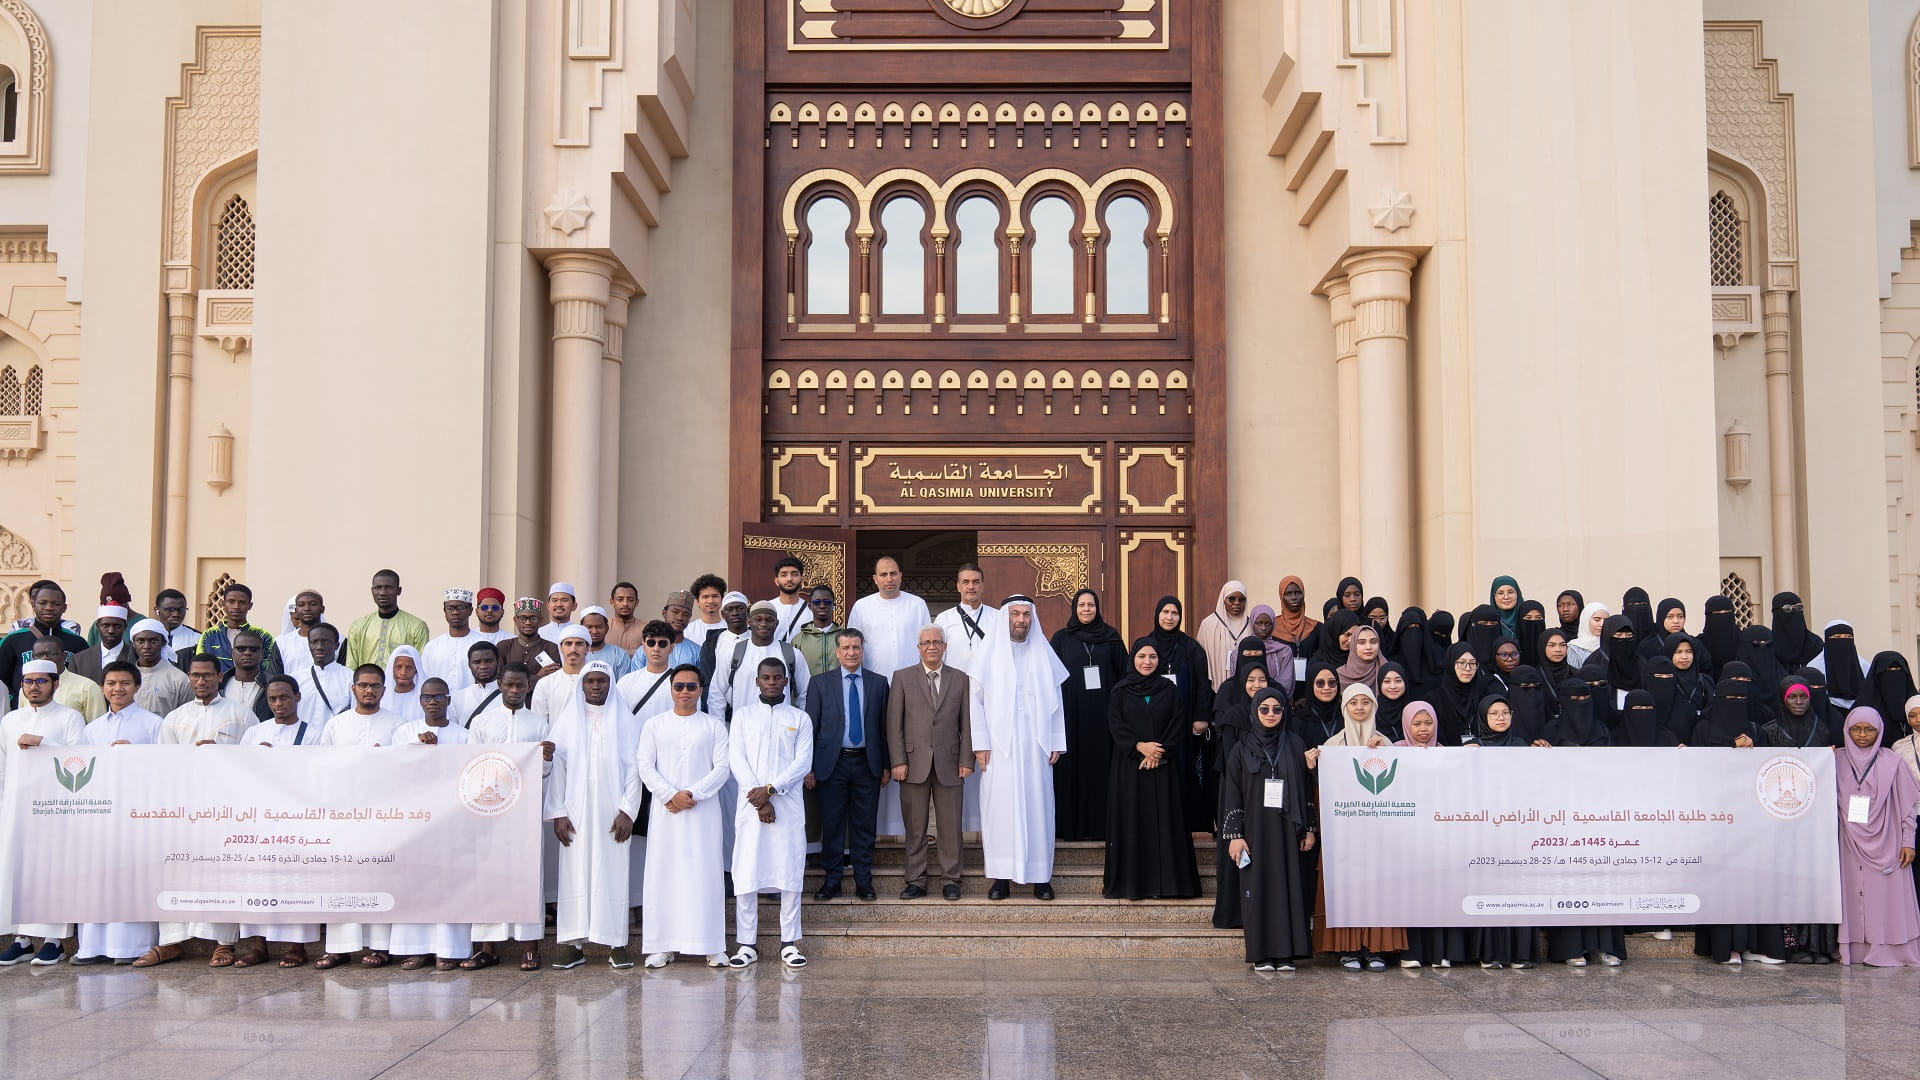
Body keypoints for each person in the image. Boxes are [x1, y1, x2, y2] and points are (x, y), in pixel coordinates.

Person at [133, 654, 253, 968]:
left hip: (227, 807)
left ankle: (224, 943)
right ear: (189, 677)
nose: (201, 681)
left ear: (219, 677)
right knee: (176, 870)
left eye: (207, 676)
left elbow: (254, 762)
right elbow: (165, 764)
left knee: (223, 873)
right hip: (185, 806)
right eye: (195, 675)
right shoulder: (174, 718)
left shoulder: (241, 715)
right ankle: (172, 943)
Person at [972, 596, 1069, 902]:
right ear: (1005, 618)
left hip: (1036, 746)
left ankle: (1041, 878)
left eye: (1026, 614)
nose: (1021, 619)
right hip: (999, 749)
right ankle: (1001, 879)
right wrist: (980, 744)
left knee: (1038, 808)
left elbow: (1057, 704)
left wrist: (1056, 741)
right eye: (1015, 614)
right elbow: (975, 702)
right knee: (999, 810)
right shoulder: (988, 654)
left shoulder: (1043, 652)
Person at [546, 662, 642, 971]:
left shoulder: (626, 722)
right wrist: (558, 813)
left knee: (613, 871)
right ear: (582, 685)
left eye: (602, 681)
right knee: (574, 873)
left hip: (613, 812)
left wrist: (628, 810)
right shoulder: (566, 721)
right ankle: (573, 945)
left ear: (610, 684)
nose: (596, 686)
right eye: (590, 681)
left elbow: (634, 771)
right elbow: (558, 768)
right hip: (574, 811)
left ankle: (617, 943)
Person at [68, 661, 164, 965]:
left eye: (124, 683)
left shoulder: (153, 724)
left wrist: (136, 757)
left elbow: (166, 768)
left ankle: (130, 948)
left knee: (132, 878)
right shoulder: (92, 729)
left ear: (137, 687)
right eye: (111, 683)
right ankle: (92, 947)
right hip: (100, 816)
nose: (117, 689)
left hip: (138, 814)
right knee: (95, 879)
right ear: (102, 687)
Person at [635, 665, 732, 969]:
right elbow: (644, 765)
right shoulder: (655, 725)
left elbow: (722, 768)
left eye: (691, 687)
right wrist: (669, 795)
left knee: (705, 874)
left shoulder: (714, 726)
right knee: (664, 875)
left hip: (702, 813)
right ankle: (662, 945)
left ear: (701, 690)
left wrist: (691, 795)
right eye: (679, 687)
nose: (685, 692)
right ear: (671, 689)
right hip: (667, 813)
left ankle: (711, 945)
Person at [312, 664, 405, 969]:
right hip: (343, 815)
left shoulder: (398, 725)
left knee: (378, 879)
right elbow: (321, 769)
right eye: (363, 685)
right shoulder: (336, 725)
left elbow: (408, 769)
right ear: (353, 689)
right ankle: (339, 947)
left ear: (383, 689)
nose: (369, 690)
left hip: (382, 816)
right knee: (341, 881)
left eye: (375, 686)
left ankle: (380, 946)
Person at [230, 675, 324, 968]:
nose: (278, 704)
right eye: (272, 699)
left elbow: (318, 773)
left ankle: (296, 947)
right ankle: (259, 946)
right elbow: (240, 773)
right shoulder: (254, 733)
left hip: (296, 818)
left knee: (294, 881)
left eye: (284, 697)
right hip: (259, 817)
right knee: (259, 881)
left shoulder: (313, 734)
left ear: (297, 697)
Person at [464, 664, 553, 971]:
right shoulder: (482, 722)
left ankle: (530, 946)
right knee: (488, 875)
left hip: (525, 811)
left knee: (528, 876)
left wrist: (546, 759)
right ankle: (488, 947)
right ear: (499, 684)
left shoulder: (539, 723)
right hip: (490, 813)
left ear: (529, 687)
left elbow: (544, 771)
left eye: (521, 686)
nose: (515, 691)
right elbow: (471, 764)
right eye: (510, 685)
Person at [726, 658, 814, 969]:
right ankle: (746, 943)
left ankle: (789, 942)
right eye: (766, 677)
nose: (772, 682)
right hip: (751, 808)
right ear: (757, 681)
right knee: (747, 872)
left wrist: (772, 790)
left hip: (787, 808)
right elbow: (736, 758)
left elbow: (802, 763)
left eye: (778, 677)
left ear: (786, 682)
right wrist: (759, 798)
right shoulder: (743, 717)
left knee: (789, 872)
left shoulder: (800, 718)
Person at [1221, 687, 1315, 971]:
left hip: (1288, 830)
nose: (1271, 714)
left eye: (1277, 709)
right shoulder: (1241, 748)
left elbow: (1306, 788)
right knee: (1257, 887)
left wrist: (1309, 828)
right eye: (1265, 709)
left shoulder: (1296, 744)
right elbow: (1232, 792)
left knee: (1289, 886)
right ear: (1255, 711)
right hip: (1255, 832)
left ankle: (1287, 953)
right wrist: (1235, 836)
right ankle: (1262, 953)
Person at [0, 659, 87, 967]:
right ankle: (22, 940)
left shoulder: (70, 718)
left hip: (56, 808)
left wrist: (44, 743)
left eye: (41, 681)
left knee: (52, 871)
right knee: (18, 869)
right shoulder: (10, 720)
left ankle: (53, 941)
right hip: (17, 806)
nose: (33, 687)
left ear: (55, 684)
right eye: (28, 682)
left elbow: (81, 758)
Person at [1103, 637, 1201, 901]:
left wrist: (1158, 751)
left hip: (1164, 768)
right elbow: (1115, 725)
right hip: (1129, 769)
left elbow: (1177, 722)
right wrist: (1139, 746)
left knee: (1165, 823)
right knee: (1134, 822)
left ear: (1159, 660)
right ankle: (1135, 885)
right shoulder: (1119, 691)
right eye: (1141, 656)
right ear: (1132, 659)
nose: (1147, 662)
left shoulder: (1169, 690)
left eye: (1152, 657)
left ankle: (1170, 884)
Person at [885, 624, 973, 900]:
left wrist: (966, 758)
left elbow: (967, 724)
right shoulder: (901, 678)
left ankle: (951, 879)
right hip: (912, 764)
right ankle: (916, 880)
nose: (932, 646)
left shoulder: (960, 679)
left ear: (945, 647)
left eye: (937, 642)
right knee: (915, 827)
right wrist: (897, 760)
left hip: (950, 763)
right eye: (926, 643)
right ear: (919, 648)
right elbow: (893, 723)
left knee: (950, 825)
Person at [807, 629, 890, 902]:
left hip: (868, 763)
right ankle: (832, 881)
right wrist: (809, 767)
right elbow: (812, 727)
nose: (851, 652)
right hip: (832, 764)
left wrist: (886, 764)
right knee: (832, 824)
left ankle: (864, 881)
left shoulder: (879, 683)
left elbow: (884, 727)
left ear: (863, 650)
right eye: (846, 648)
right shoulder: (820, 683)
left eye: (856, 647)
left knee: (864, 825)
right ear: (837, 651)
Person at [1835, 707, 1920, 966]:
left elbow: (1908, 807)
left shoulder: (1892, 761)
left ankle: (1890, 952)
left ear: (1879, 731)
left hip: (1888, 841)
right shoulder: (1835, 760)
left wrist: (1908, 841)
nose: (1862, 735)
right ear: (1847, 731)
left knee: (1886, 897)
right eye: (1856, 729)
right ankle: (1856, 951)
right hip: (1848, 841)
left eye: (1869, 729)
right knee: (1852, 894)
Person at [1462, 696, 1540, 969]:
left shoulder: (1521, 746)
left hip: (1518, 830)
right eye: (1493, 713)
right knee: (1491, 890)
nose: (1500, 718)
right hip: (1485, 832)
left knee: (1518, 891)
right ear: (1483, 716)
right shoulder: (1473, 748)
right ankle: (1490, 953)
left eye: (1505, 712)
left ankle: (1521, 953)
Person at [1392, 703, 1466, 968]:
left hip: (1439, 836)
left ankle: (1439, 952)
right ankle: (1411, 952)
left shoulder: (1444, 753)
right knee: (1413, 893)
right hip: (1408, 837)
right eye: (1417, 724)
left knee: (1438, 894)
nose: (1423, 730)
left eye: (1428, 723)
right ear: (1407, 725)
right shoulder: (1395, 751)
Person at [1050, 589, 1126, 842]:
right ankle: (1070, 828)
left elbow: (1125, 674)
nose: (1086, 609)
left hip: (1104, 718)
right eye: (1081, 605)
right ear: (1074, 608)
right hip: (1071, 717)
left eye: (1090, 605)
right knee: (1072, 770)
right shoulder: (1061, 639)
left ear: (1097, 608)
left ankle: (1102, 827)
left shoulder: (1112, 637)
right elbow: (1049, 678)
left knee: (1101, 770)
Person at [1144, 596, 1216, 833]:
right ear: (1157, 614)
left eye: (1174, 613)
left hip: (1184, 723)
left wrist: (1201, 716)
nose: (1169, 617)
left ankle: (1183, 820)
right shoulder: (1146, 646)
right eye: (1165, 612)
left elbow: (1202, 683)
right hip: (1153, 723)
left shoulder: (1191, 647)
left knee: (1183, 769)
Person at [709, 601, 807, 722]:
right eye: (758, 619)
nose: (763, 624)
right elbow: (716, 694)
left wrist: (800, 726)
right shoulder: (732, 654)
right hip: (743, 731)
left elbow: (805, 695)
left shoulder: (792, 654)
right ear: (749, 622)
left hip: (782, 731)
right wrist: (720, 731)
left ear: (776, 623)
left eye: (769, 620)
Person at [847, 557, 933, 687]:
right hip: (873, 681)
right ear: (875, 579)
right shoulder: (861, 606)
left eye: (893, 574)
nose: (889, 579)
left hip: (912, 681)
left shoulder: (917, 604)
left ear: (900, 576)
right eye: (883, 575)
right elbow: (852, 645)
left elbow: (928, 643)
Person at [0, 582, 89, 703]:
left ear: (64, 607)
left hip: (67, 709)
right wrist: (14, 699)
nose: (49, 607)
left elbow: (84, 679)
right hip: (25, 710)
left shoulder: (78, 642)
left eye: (56, 604)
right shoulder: (14, 640)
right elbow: (2, 678)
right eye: (42, 603)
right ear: (33, 605)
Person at [343, 570, 429, 669]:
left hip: (401, 684)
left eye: (389, 588)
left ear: (399, 590)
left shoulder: (416, 626)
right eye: (378, 588)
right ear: (372, 591)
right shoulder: (358, 626)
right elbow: (351, 667)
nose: (383, 593)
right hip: (367, 684)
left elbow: (420, 665)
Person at [196, 581, 285, 677]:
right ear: (223, 604)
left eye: (242, 602)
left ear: (250, 606)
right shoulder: (209, 635)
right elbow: (200, 666)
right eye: (231, 601)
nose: (236, 607)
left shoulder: (263, 636)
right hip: (218, 689)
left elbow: (268, 669)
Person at [934, 563, 997, 673]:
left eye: (976, 582)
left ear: (982, 586)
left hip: (987, 684)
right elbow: (937, 656)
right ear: (958, 586)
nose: (971, 587)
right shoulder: (944, 619)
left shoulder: (996, 617)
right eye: (966, 582)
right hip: (954, 685)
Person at [420, 588, 481, 692]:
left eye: (460, 608)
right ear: (444, 611)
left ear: (470, 610)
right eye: (450, 608)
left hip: (474, 703)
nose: (455, 612)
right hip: (439, 704)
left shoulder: (482, 644)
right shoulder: (432, 646)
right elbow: (423, 678)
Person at [1195, 580, 1252, 690]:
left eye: (1242, 599)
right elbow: (1200, 660)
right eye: (1231, 599)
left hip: (1246, 689)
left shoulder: (1251, 625)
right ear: (1223, 599)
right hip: (1214, 690)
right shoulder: (1208, 625)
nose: (1237, 603)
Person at [128, 619, 192, 716]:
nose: (146, 646)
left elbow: (186, 718)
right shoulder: (125, 678)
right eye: (140, 641)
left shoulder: (179, 679)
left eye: (153, 641)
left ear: (163, 642)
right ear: (134, 644)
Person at [31, 638, 105, 721]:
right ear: (33, 658)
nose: (45, 658)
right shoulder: (28, 688)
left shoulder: (88, 687)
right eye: (39, 655)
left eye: (52, 654)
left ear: (64, 656)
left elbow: (97, 728)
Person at [498, 597, 564, 686]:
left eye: (533, 618)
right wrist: (538, 676)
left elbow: (554, 680)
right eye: (523, 618)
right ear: (515, 620)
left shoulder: (552, 648)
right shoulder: (504, 647)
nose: (528, 622)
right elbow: (500, 678)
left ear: (540, 620)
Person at [531, 626, 592, 721]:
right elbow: (539, 724)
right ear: (561, 648)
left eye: (579, 644)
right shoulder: (546, 683)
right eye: (568, 644)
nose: (573, 649)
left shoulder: (596, 683)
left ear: (588, 648)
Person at [697, 592, 752, 692]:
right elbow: (707, 678)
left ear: (748, 612)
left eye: (740, 608)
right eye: (730, 609)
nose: (735, 613)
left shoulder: (758, 639)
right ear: (722, 614)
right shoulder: (712, 643)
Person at [68, 604, 130, 684]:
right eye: (105, 626)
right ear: (97, 626)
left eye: (117, 626)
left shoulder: (136, 657)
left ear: (125, 627)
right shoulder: (79, 660)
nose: (111, 630)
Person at [791, 584, 843, 677]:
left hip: (839, 690)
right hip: (809, 690)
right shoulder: (798, 640)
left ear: (834, 605)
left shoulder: (844, 637)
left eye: (827, 602)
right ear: (810, 606)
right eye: (816, 602)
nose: (822, 606)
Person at [762, 556, 813, 646]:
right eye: (784, 575)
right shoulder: (767, 608)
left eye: (794, 574)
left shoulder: (810, 611)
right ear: (776, 581)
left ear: (802, 579)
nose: (789, 579)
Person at [450, 640, 503, 726]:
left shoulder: (509, 695)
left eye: (489, 661)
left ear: (498, 662)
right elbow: (454, 730)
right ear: (469, 664)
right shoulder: (458, 697)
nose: (483, 666)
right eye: (477, 662)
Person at [275, 589, 327, 676]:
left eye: (313, 604)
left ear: (322, 609)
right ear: (296, 610)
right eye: (301, 605)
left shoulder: (339, 641)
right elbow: (274, 677)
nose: (307, 609)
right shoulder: (281, 643)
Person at [580, 606, 637, 680]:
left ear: (607, 628)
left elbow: (623, 687)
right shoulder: (575, 654)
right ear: (581, 628)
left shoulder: (620, 655)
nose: (594, 631)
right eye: (589, 627)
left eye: (599, 627)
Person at [379, 644, 426, 721]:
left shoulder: (426, 699)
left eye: (409, 667)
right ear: (392, 669)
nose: (403, 672)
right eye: (399, 667)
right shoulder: (381, 696)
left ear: (416, 670)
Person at [1335, 624, 1385, 695]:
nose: (1368, 647)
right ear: (1353, 646)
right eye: (1362, 642)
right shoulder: (1339, 675)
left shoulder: (1388, 672)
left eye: (1373, 642)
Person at [685, 574, 729, 652]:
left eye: (715, 596)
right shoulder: (688, 631)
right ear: (697, 601)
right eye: (705, 597)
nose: (711, 601)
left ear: (722, 599)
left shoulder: (730, 628)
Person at [152, 588, 200, 658]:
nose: (176, 614)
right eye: (170, 610)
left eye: (181, 610)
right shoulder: (144, 638)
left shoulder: (196, 639)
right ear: (157, 610)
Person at [606, 581, 649, 654]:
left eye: (630, 600)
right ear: (612, 602)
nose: (625, 604)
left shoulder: (646, 629)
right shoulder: (604, 627)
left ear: (637, 602)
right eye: (620, 599)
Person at [662, 590, 701, 669]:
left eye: (685, 614)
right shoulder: (647, 650)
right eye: (675, 612)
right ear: (664, 613)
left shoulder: (697, 652)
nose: (680, 618)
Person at [1567, 601, 1609, 669]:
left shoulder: (1610, 645)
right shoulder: (1573, 649)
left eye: (1606, 620)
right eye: (1597, 620)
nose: (1602, 624)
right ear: (1586, 620)